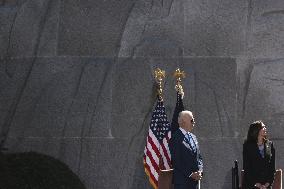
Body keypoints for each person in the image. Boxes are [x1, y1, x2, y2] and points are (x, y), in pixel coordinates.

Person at [169, 110, 203, 189]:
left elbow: (199, 157)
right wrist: (191, 174)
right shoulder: (175, 138)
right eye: (191, 120)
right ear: (183, 122)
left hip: (195, 182)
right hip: (183, 183)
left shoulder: (193, 137)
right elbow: (177, 161)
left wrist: (200, 171)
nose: (194, 122)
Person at [243, 121, 275, 189]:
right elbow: (247, 167)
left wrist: (267, 184)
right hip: (251, 185)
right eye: (263, 127)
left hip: (266, 185)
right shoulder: (248, 146)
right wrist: (256, 184)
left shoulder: (269, 144)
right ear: (257, 130)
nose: (265, 128)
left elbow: (272, 166)